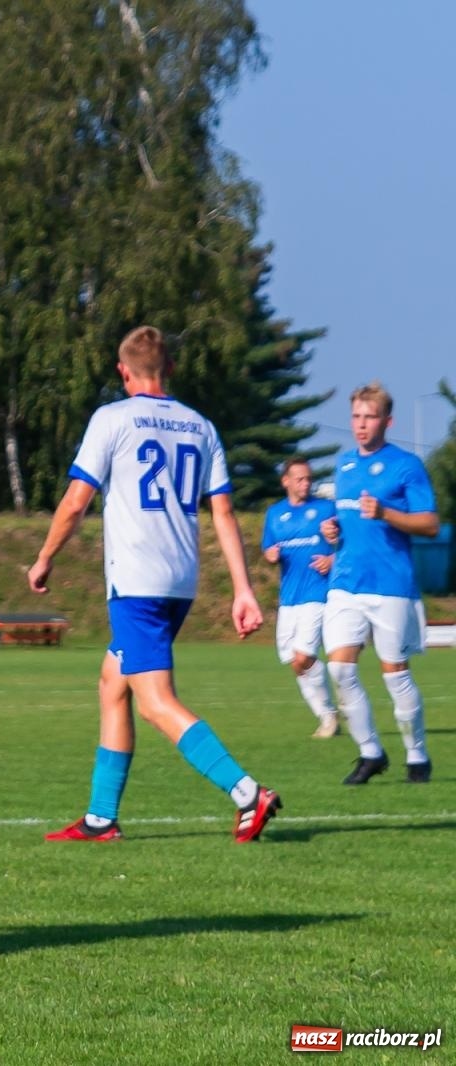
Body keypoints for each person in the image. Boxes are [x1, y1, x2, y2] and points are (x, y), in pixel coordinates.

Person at [27, 325, 281, 844]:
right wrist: (243, 589)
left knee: (155, 700)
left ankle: (247, 792)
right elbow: (224, 513)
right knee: (112, 683)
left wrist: (44, 558)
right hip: (180, 581)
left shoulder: (112, 419)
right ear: (169, 369)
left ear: (124, 371)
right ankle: (100, 818)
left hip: (137, 581)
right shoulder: (200, 426)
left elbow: (76, 501)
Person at [320, 382, 439, 785]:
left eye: (369, 417)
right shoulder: (344, 466)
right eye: (355, 416)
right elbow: (348, 524)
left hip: (391, 585)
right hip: (346, 582)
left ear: (387, 421)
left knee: (394, 674)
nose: (361, 424)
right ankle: (370, 752)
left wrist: (387, 513)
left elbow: (429, 523)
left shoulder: (407, 465)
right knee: (339, 669)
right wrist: (334, 533)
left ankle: (418, 756)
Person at [261, 458, 339, 737]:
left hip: (317, 594)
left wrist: (332, 559)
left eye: (308, 478)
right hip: (288, 599)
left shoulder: (326, 509)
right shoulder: (274, 514)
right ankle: (329, 712)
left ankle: (331, 713)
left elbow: (350, 543)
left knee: (303, 656)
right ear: (286, 481)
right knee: (294, 661)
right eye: (300, 479)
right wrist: (270, 555)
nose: (306, 483)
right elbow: (269, 547)